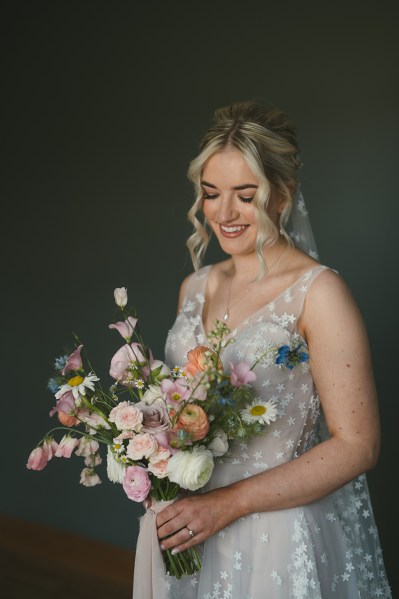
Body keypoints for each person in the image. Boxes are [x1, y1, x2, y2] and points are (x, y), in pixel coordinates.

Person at [155, 101, 391, 598]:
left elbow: (358, 445)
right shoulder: (193, 286)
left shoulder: (319, 293)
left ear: (282, 194)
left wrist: (227, 504)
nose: (223, 214)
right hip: (190, 526)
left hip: (275, 536)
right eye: (211, 193)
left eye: (246, 195)